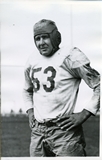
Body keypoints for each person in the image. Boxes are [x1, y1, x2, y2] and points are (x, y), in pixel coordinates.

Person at [23, 19, 100, 157]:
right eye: (37, 38)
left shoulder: (70, 56)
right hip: (38, 134)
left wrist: (85, 113)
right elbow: (26, 90)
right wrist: (30, 112)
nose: (41, 43)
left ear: (55, 37)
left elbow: (99, 84)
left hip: (64, 132)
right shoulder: (32, 59)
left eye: (45, 37)